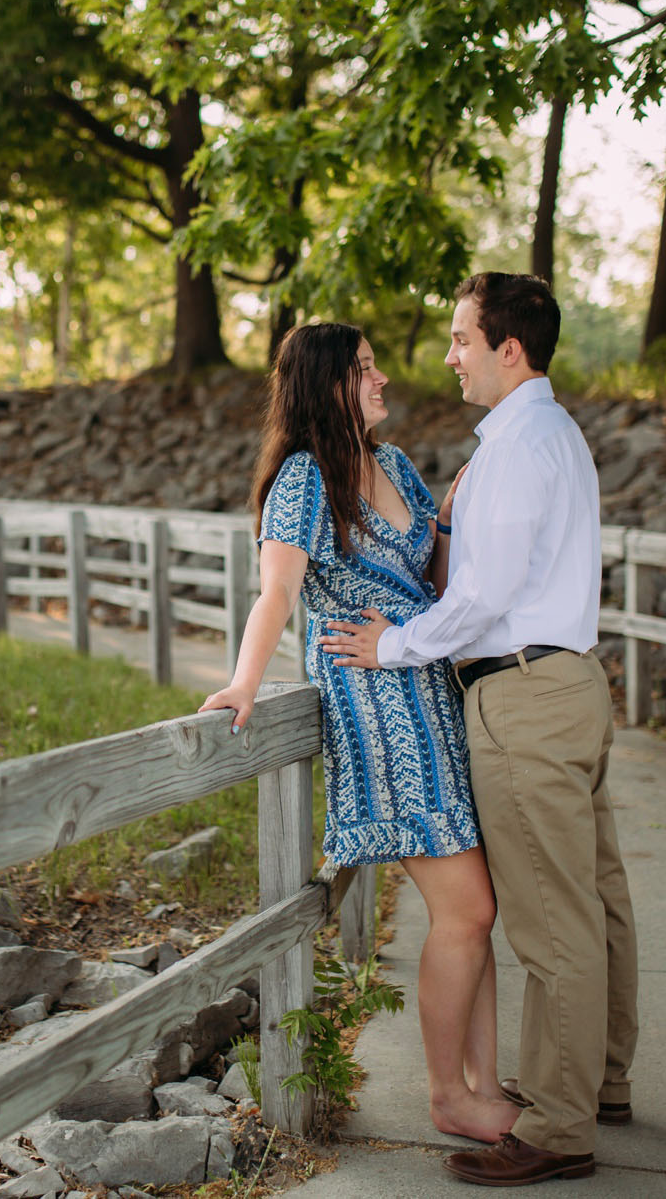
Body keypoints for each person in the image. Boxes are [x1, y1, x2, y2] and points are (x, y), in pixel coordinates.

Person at [318, 272, 638, 1188]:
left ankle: (562, 1124)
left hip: (525, 695)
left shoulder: (514, 446)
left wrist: (392, 645)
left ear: (509, 347)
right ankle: (603, 1077)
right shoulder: (557, 433)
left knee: (552, 917)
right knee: (598, 896)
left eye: (462, 338)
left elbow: (482, 599)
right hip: (573, 682)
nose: (449, 355)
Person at [199, 321, 520, 1144]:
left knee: (476, 907)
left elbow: (435, 576)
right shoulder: (306, 478)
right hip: (376, 707)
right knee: (469, 907)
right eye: (366, 370)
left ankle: (484, 1080)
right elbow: (277, 592)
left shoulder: (399, 465)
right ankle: (449, 1093)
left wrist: (451, 515)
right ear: (328, 385)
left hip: (430, 692)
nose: (383, 381)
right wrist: (244, 680)